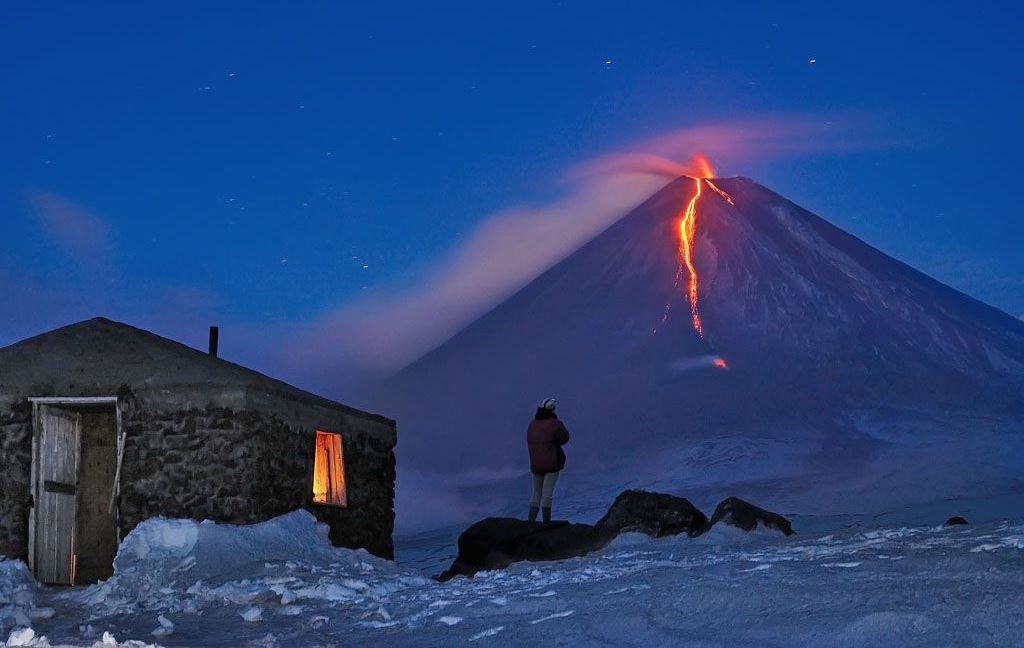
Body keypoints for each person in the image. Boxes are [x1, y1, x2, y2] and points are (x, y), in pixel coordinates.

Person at [526, 397, 570, 523]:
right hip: (551, 464)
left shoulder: (532, 424)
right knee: (547, 494)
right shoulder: (555, 424)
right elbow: (565, 438)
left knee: (536, 493)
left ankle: (531, 522)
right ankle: (546, 523)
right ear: (553, 409)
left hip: (535, 465)